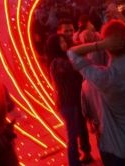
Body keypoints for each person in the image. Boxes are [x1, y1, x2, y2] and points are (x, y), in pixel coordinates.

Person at [68, 15, 125, 166]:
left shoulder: (103, 77)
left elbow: (72, 53)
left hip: (120, 147)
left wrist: (99, 45)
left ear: (108, 46)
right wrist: (118, 15)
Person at [47, 35, 93, 166]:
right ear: (55, 45)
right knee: (72, 136)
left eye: (63, 40)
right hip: (66, 103)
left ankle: (75, 160)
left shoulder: (59, 60)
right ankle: (74, 162)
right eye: (60, 42)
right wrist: (83, 55)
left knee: (73, 133)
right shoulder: (57, 62)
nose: (64, 44)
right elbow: (73, 65)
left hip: (70, 102)